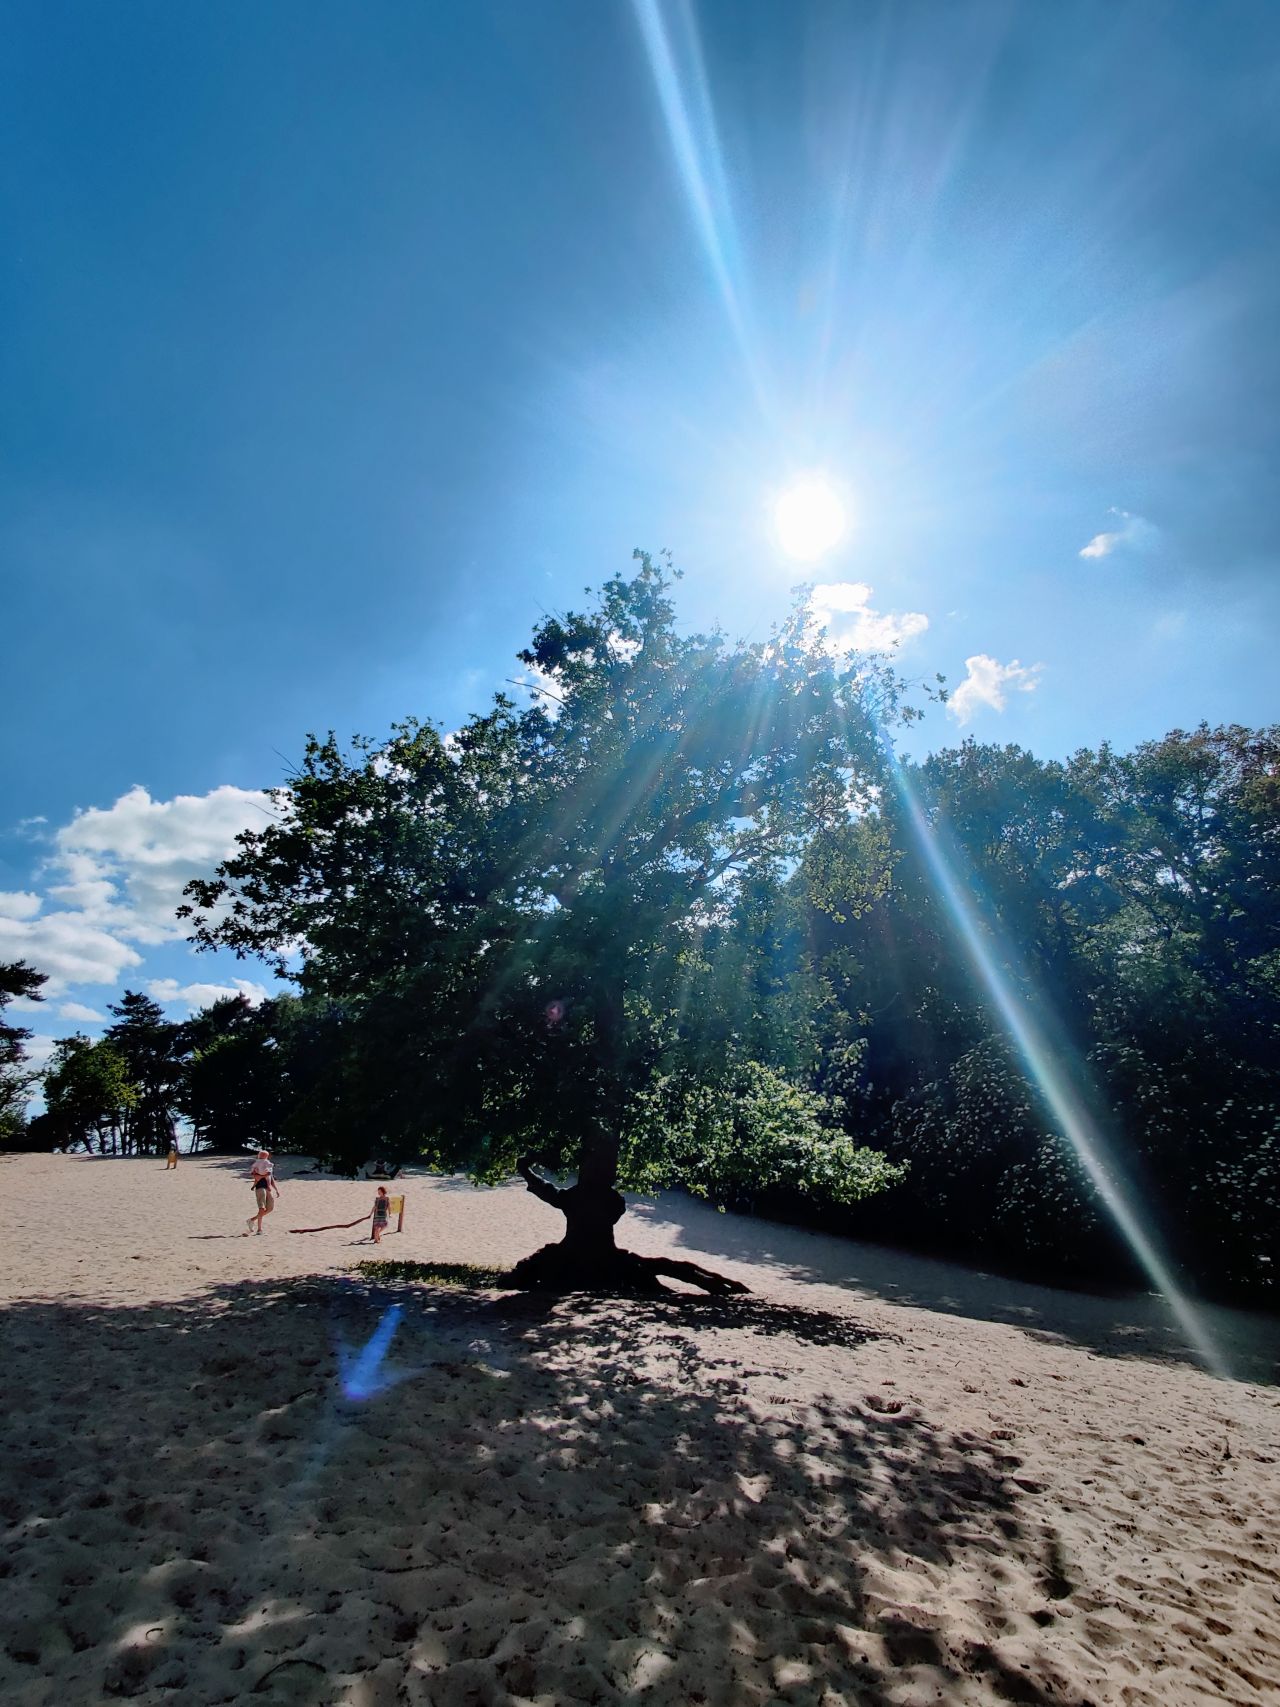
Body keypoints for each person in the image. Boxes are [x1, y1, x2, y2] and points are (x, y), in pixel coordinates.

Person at [246, 1149, 280, 1234]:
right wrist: (264, 1175)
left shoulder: (268, 1166)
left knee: (270, 1208)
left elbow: (271, 1179)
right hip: (260, 1187)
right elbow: (256, 1177)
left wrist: (276, 1190)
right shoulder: (257, 1166)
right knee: (262, 1208)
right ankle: (259, 1229)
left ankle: (252, 1220)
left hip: (268, 1188)